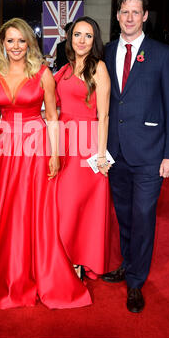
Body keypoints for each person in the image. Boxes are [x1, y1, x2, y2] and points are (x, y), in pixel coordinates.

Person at [0, 18, 92, 309]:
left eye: (21, 40)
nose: (15, 46)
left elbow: (52, 117)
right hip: (3, 150)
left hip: (35, 147)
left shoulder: (42, 74)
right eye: (10, 40)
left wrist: (54, 154)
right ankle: (3, 264)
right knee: (2, 208)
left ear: (29, 43)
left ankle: (37, 269)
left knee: (32, 210)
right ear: (2, 43)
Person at [103, 0, 169, 313]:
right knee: (124, 215)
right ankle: (127, 263)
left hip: (151, 154)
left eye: (135, 12)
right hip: (116, 153)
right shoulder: (108, 51)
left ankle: (136, 282)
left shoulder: (163, 55)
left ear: (145, 16)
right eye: (124, 12)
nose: (129, 17)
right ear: (118, 15)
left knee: (143, 216)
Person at [54, 17, 111, 280]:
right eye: (78, 34)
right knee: (63, 205)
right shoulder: (64, 70)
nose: (82, 40)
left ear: (94, 40)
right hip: (63, 143)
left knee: (78, 205)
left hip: (86, 147)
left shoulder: (98, 68)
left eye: (88, 36)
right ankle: (64, 256)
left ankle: (79, 260)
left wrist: (100, 156)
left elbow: (104, 116)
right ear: (69, 37)